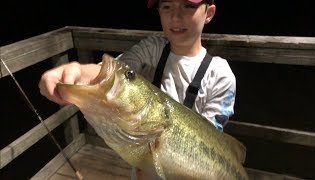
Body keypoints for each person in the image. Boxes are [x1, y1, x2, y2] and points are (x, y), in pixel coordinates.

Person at [39, 0, 236, 179]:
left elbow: (214, 141)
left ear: (208, 13)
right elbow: (117, 70)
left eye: (188, 5)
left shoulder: (221, 75)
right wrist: (79, 73)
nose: (175, 16)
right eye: (167, 6)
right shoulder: (152, 49)